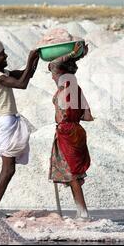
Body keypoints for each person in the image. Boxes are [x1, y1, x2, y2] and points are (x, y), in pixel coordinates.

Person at [0, 41, 39, 216]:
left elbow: (28, 75)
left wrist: (36, 59)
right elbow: (22, 84)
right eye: (2, 54)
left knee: (9, 167)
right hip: (5, 122)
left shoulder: (3, 73)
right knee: (8, 168)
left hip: (9, 120)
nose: (6, 56)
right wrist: (29, 59)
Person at [48, 42, 94, 219]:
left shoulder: (66, 89)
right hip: (76, 131)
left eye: (53, 73)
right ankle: (80, 211)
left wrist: (72, 54)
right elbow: (88, 115)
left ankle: (83, 213)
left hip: (67, 133)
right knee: (73, 174)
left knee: (73, 175)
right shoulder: (76, 89)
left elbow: (54, 64)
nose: (52, 76)